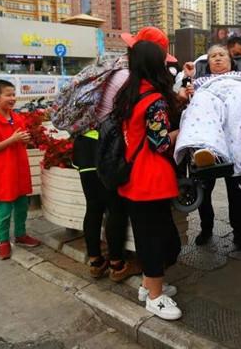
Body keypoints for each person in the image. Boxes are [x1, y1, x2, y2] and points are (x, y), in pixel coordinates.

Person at [73, 26, 183, 282]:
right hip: (123, 155)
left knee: (96, 208)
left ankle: (99, 262)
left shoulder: (112, 72)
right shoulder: (136, 85)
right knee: (120, 213)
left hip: (92, 145)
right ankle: (119, 265)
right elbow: (156, 138)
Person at [175, 45, 241, 251]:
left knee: (236, 190)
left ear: (231, 61)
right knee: (204, 187)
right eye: (213, 56)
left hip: (235, 134)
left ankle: (239, 234)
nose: (217, 59)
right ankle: (206, 228)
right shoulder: (200, 82)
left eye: (221, 55)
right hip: (212, 132)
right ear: (208, 62)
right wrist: (188, 81)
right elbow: (190, 102)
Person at [114, 38, 183, 321]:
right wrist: (183, 131)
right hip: (151, 180)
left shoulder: (129, 94)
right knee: (157, 240)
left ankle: (148, 285)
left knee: (152, 237)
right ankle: (155, 298)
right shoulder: (154, 100)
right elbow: (160, 143)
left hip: (134, 178)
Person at [0, 79, 41, 260]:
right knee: (5, 210)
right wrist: (13, 140)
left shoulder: (18, 118)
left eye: (14, 94)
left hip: (19, 170)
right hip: (3, 173)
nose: (13, 98)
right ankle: (3, 241)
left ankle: (21, 234)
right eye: (8, 95)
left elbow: (22, 142)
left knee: (22, 206)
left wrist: (24, 140)